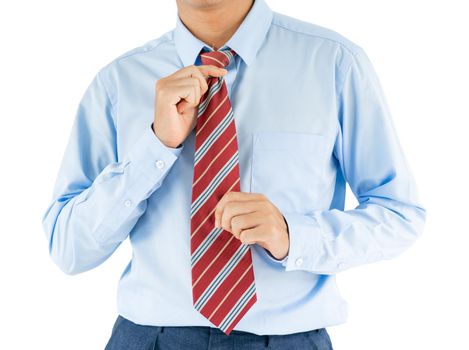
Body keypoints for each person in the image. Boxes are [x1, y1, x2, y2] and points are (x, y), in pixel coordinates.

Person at [41, 0, 426, 349]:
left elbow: (400, 214)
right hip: (148, 338)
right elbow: (69, 248)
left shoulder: (333, 64)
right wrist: (156, 147)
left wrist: (295, 235)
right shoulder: (118, 82)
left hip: (287, 340)